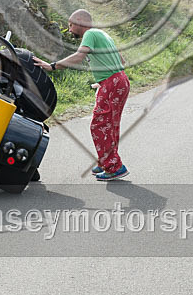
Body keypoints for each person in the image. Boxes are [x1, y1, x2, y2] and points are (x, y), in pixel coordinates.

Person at [33, 9, 130, 181]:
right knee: (109, 124)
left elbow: (79, 57)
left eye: (70, 25)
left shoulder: (90, 33)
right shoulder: (102, 34)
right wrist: (104, 81)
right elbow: (121, 61)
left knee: (99, 125)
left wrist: (52, 66)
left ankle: (113, 166)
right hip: (118, 81)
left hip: (112, 83)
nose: (69, 29)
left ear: (80, 21)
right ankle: (106, 162)